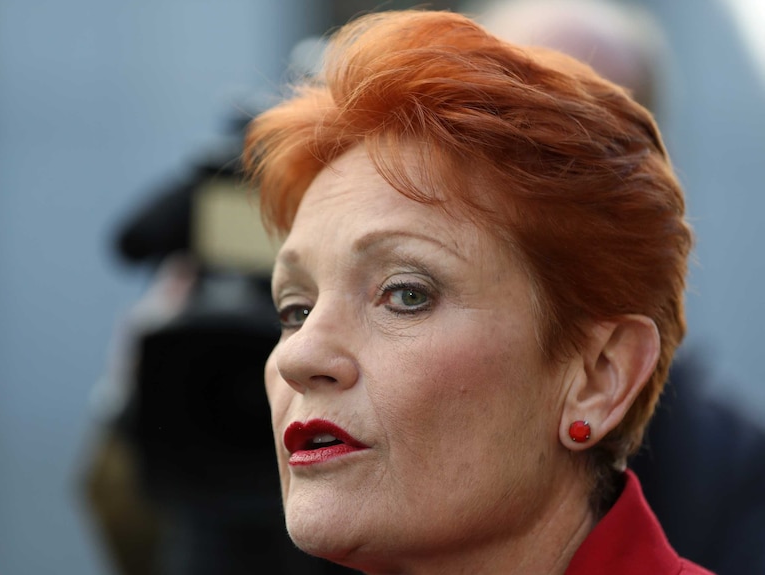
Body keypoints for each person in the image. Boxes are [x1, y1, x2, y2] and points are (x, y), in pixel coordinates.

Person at [241, 9, 713, 575]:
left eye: (405, 294)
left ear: (598, 376)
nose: (298, 356)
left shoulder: (732, 469)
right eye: (295, 309)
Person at [467, 2, 765, 573]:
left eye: (589, 142)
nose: (543, 175)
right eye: (505, 125)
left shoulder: (726, 468)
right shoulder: (344, 412)